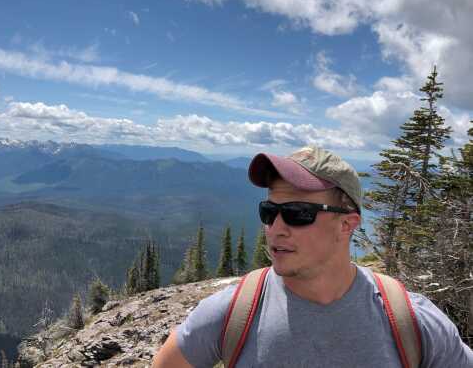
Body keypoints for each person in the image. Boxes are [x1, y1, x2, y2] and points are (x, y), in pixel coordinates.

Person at [153, 146, 473, 367]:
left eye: (298, 213)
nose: (275, 228)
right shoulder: (232, 312)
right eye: (269, 211)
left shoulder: (412, 322)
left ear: (347, 224)